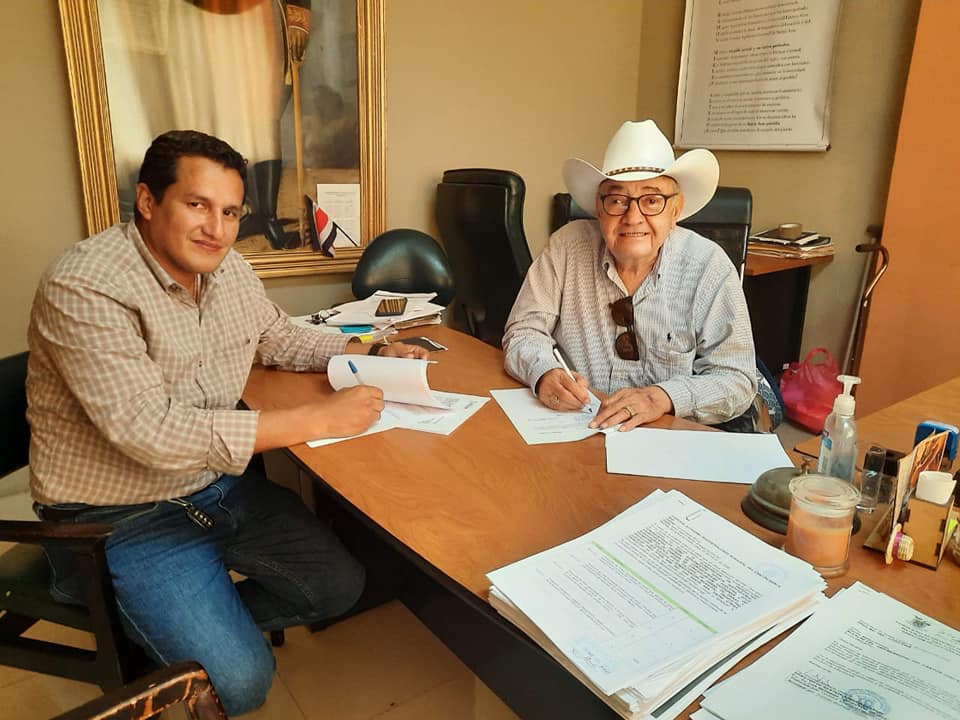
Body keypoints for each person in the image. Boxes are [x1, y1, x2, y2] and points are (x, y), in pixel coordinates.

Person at [26, 130, 427, 716]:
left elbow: (278, 336)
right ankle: (182, 637)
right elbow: (149, 431)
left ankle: (195, 629)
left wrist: (370, 350)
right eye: (197, 204)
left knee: (341, 585)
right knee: (242, 684)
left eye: (231, 212)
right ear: (147, 201)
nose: (216, 229)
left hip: (213, 485)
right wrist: (316, 418)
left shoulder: (229, 269)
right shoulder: (85, 284)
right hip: (117, 518)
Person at [503, 120, 757, 429]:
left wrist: (662, 397)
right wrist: (543, 371)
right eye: (617, 200)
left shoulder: (709, 266)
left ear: (675, 209)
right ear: (599, 208)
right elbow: (523, 331)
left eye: (652, 200)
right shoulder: (566, 247)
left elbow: (737, 379)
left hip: (667, 434)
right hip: (578, 425)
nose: (633, 217)